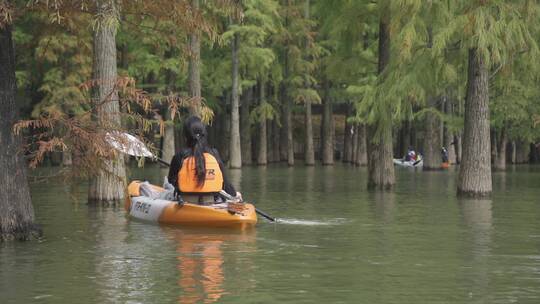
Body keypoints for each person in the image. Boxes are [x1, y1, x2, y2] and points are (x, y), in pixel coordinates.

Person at [167, 116, 240, 204]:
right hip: (210, 201)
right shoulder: (214, 154)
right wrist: (235, 195)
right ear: (204, 134)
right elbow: (225, 182)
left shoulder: (179, 156)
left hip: (186, 201)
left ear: (186, 136)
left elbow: (171, 179)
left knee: (167, 187)